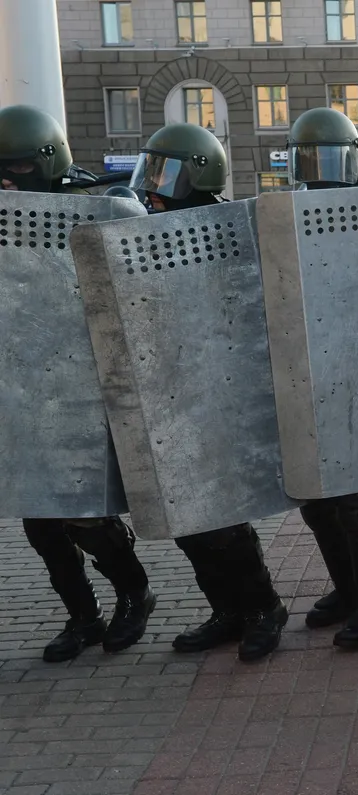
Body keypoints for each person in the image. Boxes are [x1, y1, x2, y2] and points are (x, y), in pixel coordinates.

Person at [0, 105, 157, 663]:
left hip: (81, 386)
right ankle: (81, 616)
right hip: (18, 387)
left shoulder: (100, 207)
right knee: (39, 521)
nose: (7, 179)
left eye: (15, 167)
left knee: (86, 515)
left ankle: (135, 593)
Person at [128, 123, 289, 662]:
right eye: (149, 171)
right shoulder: (141, 229)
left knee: (221, 517)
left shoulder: (228, 227)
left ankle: (263, 608)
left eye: (165, 172)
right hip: (162, 388)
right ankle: (226, 609)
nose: (153, 186)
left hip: (216, 389)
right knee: (185, 519)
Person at [283, 107, 358, 649]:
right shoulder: (283, 211)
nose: (320, 168)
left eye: (330, 156)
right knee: (316, 499)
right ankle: (349, 589)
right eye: (310, 157)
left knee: (353, 502)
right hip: (305, 372)